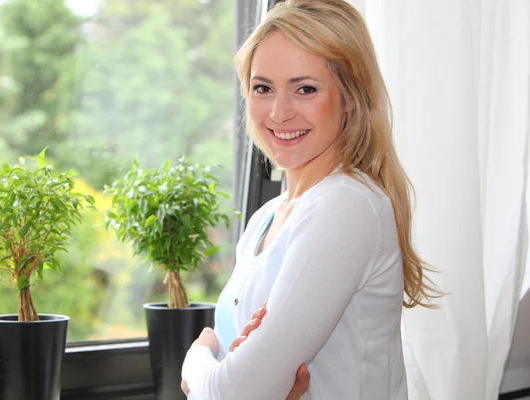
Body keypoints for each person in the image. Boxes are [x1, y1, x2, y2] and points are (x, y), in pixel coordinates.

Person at [180, 0, 439, 398]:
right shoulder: (264, 220)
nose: (280, 112)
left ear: (351, 96)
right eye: (262, 87)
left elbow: (231, 393)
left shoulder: (345, 205)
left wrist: (196, 357)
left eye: (305, 89)